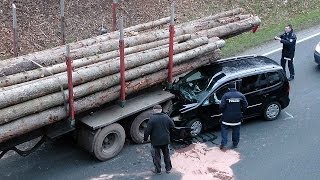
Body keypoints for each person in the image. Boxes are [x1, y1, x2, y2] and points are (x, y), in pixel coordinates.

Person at [144, 105, 175, 175]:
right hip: (165, 140)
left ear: (154, 110)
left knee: (156, 156)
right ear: (161, 110)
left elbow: (147, 131)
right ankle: (168, 169)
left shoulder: (152, 119)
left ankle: (158, 171)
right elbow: (173, 126)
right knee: (166, 155)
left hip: (155, 142)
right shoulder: (166, 117)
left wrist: (145, 139)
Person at [219, 82, 248, 152]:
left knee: (224, 130)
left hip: (226, 117)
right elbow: (245, 105)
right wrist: (241, 111)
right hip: (237, 117)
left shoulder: (225, 96)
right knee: (236, 131)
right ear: (235, 87)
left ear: (228, 88)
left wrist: (223, 112)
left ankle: (223, 144)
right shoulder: (241, 95)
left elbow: (221, 106)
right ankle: (235, 144)